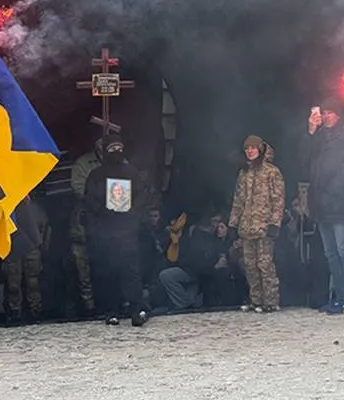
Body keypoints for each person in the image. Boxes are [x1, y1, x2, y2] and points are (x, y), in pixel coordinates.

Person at [85, 135, 149, 327]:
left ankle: (136, 310)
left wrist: (131, 213)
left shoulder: (132, 173)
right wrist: (105, 211)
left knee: (131, 273)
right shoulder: (96, 175)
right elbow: (90, 200)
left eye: (119, 148)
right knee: (108, 273)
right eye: (112, 149)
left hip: (127, 232)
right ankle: (111, 311)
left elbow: (141, 196)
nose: (116, 152)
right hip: (105, 233)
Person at [304, 99, 344, 314]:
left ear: (338, 115)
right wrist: (310, 130)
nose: (326, 116)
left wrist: (331, 192)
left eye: (330, 113)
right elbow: (305, 158)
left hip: (342, 204)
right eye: (323, 113)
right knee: (330, 253)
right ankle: (339, 295)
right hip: (322, 205)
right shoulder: (319, 138)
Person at [229, 136, 286, 312]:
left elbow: (278, 200)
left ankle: (270, 301)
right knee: (250, 266)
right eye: (247, 149)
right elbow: (238, 200)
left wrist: (275, 223)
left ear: (260, 149)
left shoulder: (272, 172)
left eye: (253, 148)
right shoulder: (244, 173)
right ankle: (256, 301)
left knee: (265, 265)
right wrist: (233, 224)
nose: (250, 151)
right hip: (247, 227)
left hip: (264, 227)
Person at [159, 214, 232, 311]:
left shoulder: (222, 242)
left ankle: (185, 304)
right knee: (167, 276)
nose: (217, 227)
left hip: (203, 274)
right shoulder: (201, 235)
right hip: (192, 270)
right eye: (215, 222)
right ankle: (185, 303)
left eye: (220, 225)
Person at [67, 139, 102, 316]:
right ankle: (89, 305)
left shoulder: (122, 163)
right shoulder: (83, 163)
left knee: (109, 264)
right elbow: (78, 187)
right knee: (83, 267)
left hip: (112, 225)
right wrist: (101, 201)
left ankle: (111, 300)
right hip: (85, 222)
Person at [2, 200, 48, 322]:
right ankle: (18, 311)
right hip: (15, 248)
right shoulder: (11, 207)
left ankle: (32, 310)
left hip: (26, 247)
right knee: (15, 283)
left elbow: (45, 228)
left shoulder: (34, 208)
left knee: (30, 282)